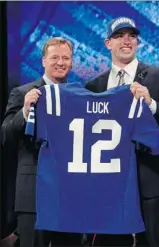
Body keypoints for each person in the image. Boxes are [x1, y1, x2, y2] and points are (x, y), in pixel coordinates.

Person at [85, 17, 159, 247]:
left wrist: (150, 103)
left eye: (131, 36)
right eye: (119, 36)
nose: (126, 41)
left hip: (150, 180)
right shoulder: (94, 87)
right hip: (108, 184)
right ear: (108, 43)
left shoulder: (158, 77)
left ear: (138, 42)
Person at [1, 37, 82, 247]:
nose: (60, 62)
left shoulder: (79, 97)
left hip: (69, 195)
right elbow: (5, 136)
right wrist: (25, 111)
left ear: (72, 62)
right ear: (44, 61)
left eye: (66, 58)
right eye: (55, 57)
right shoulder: (22, 94)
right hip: (33, 195)